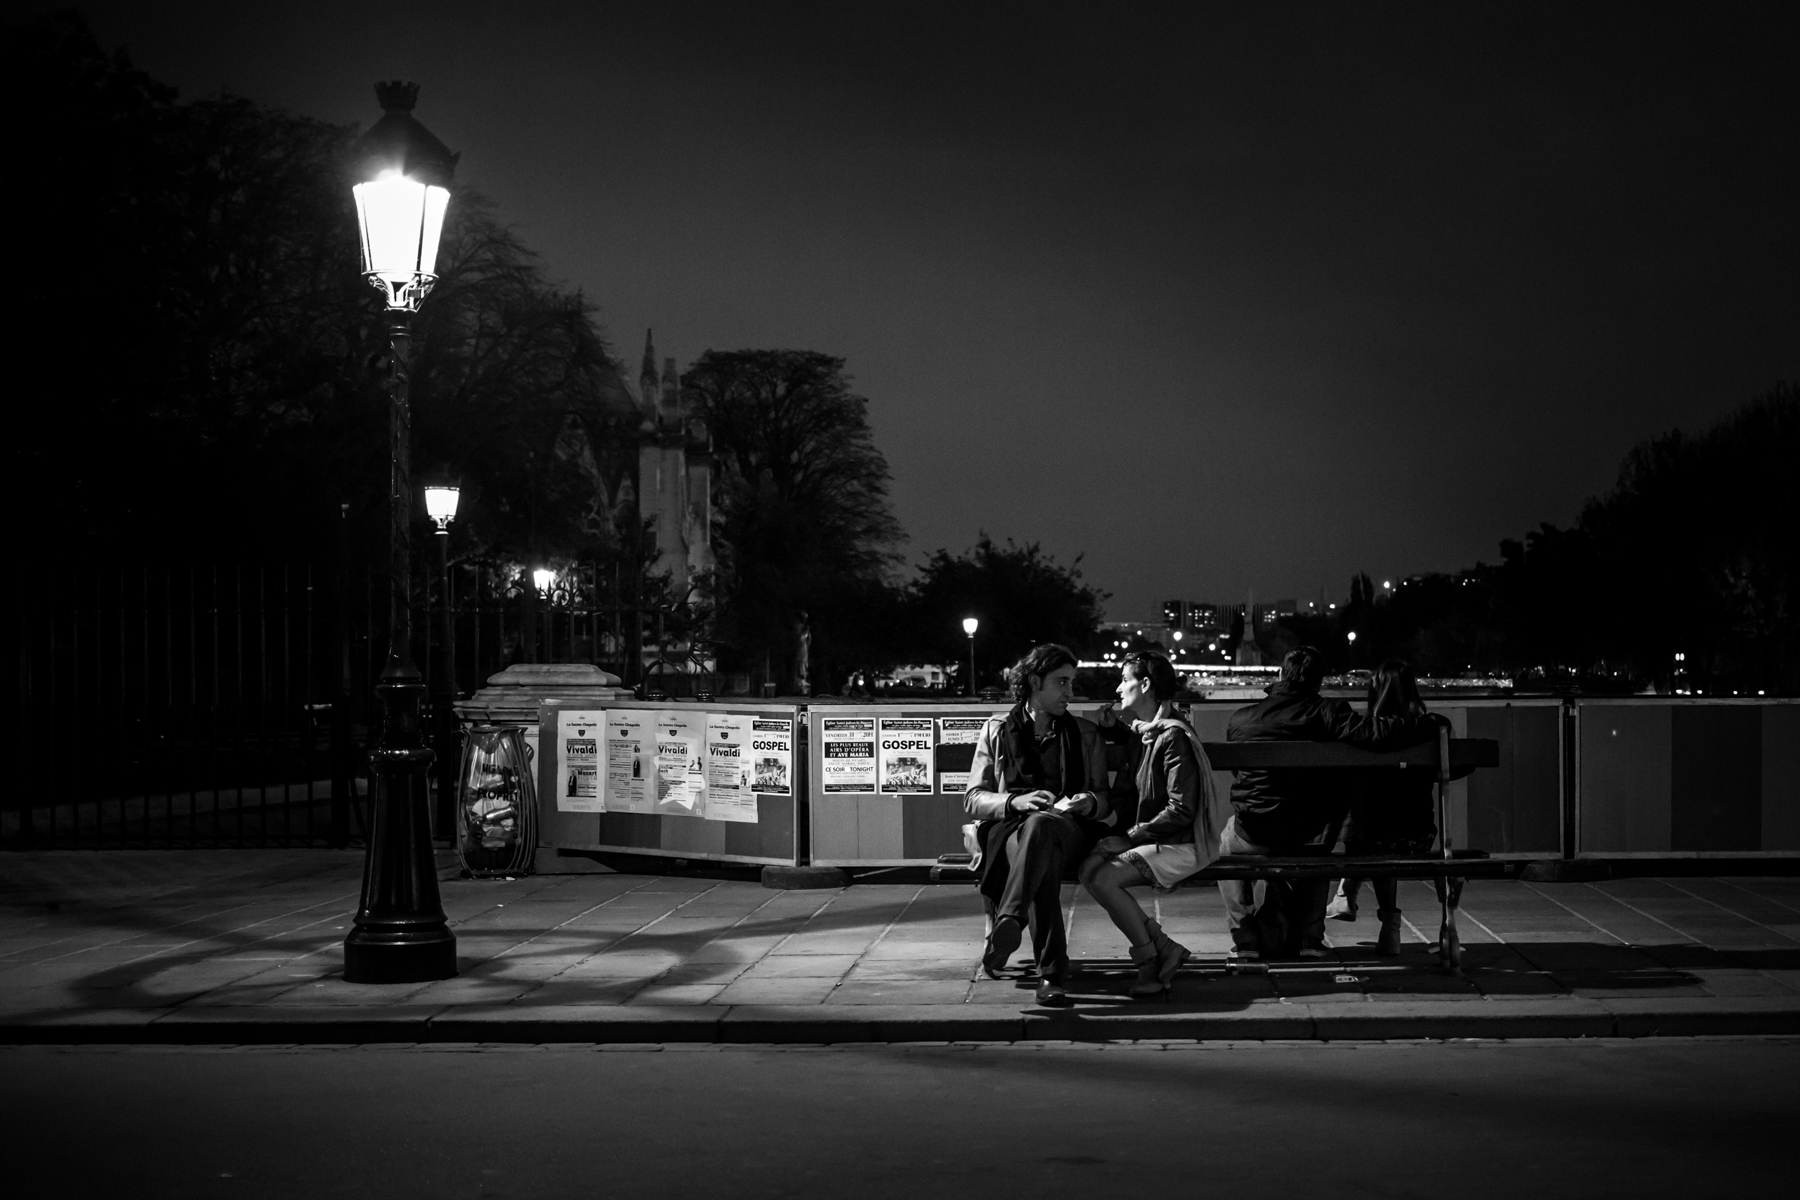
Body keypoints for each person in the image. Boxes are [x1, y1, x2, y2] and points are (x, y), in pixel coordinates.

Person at [1220, 645, 1433, 967]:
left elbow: (1240, 774)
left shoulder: (1242, 719)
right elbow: (1377, 733)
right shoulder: (1329, 713)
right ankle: (1310, 938)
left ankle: (1245, 940)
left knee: (1225, 841)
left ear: (1280, 675)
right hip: (1311, 833)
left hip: (1256, 832)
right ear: (1318, 682)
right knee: (1320, 832)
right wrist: (1428, 723)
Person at [965, 644, 1113, 1005]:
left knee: (1043, 830)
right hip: (1013, 832)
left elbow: (1103, 799)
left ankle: (1011, 919)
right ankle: (1050, 973)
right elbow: (973, 798)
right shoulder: (998, 729)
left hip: (1071, 833)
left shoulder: (1084, 733)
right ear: (1034, 682)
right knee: (1037, 840)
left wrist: (1088, 802)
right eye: (1061, 682)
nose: (1070, 692)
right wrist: (1016, 801)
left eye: (1072, 683)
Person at [1080, 653, 1225, 999]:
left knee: (1103, 877)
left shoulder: (1173, 737)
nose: (1117, 687)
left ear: (1145, 685)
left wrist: (1127, 839)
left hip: (1182, 843)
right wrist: (1114, 729)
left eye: (1124, 679)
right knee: (1088, 869)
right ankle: (1164, 947)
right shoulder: (1146, 731)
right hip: (1158, 838)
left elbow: (1181, 810)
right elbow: (1141, 752)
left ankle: (1150, 962)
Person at [1326, 660, 1438, 955]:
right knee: (1379, 828)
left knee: (1369, 819)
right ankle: (1353, 899)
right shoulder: (1428, 729)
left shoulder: (1367, 732)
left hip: (1374, 838)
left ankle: (1349, 891)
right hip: (1420, 836)